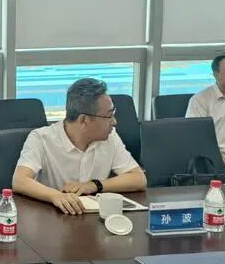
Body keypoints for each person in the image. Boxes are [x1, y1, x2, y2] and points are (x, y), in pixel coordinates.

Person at [12, 78, 146, 215]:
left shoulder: (110, 137)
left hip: (94, 220)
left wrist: (94, 185)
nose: (114, 122)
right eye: (109, 116)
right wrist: (56, 196)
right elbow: (19, 180)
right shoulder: (41, 138)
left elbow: (138, 179)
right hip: (52, 217)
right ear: (84, 120)